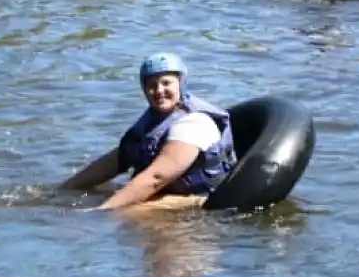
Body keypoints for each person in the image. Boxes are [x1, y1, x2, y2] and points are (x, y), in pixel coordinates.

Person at [59, 53, 237, 211]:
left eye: (166, 83)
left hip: (199, 199)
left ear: (181, 83)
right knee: (90, 197)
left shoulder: (194, 123)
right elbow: (118, 159)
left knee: (126, 212)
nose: (159, 90)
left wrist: (102, 211)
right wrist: (66, 188)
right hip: (166, 190)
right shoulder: (153, 121)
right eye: (152, 85)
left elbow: (157, 178)